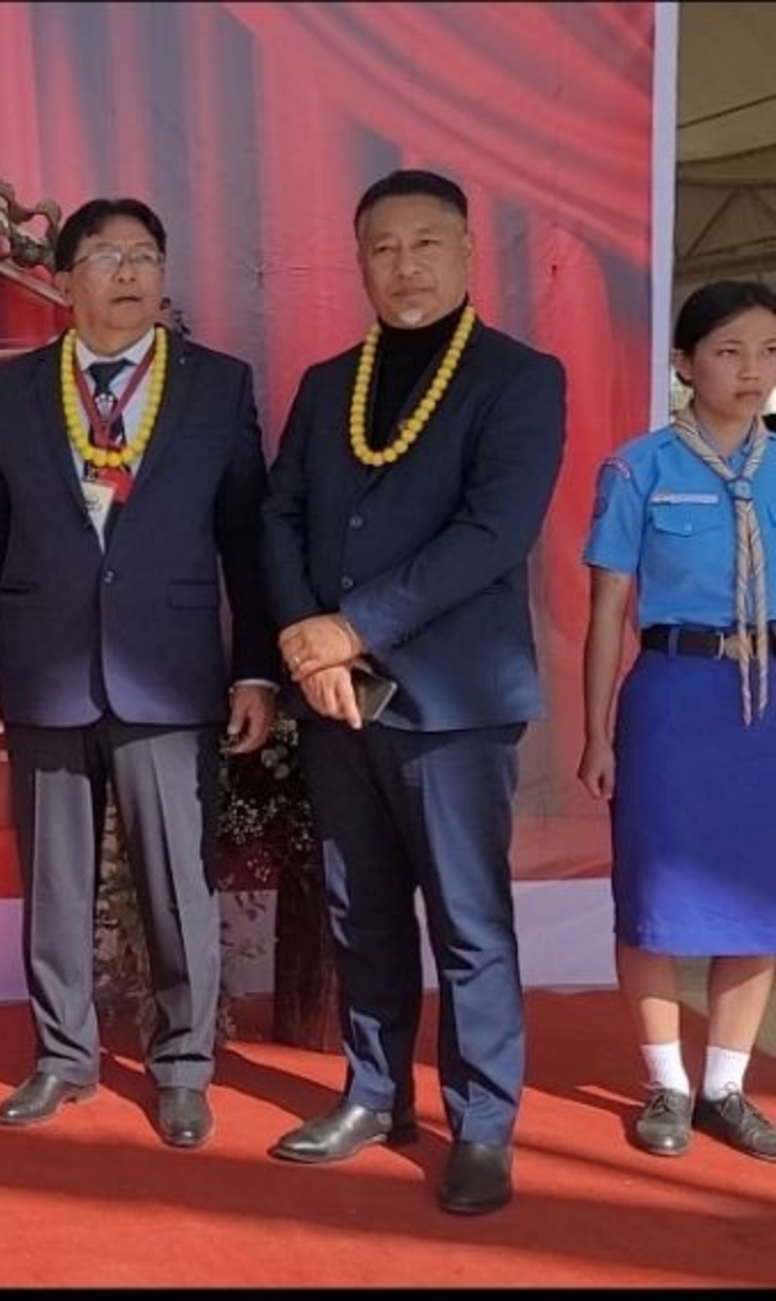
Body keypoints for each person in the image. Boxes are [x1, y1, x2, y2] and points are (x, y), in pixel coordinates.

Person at [261, 169, 567, 1215]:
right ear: (359, 261)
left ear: (469, 251)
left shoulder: (520, 379)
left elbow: (493, 534)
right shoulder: (326, 384)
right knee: (362, 908)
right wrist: (312, 649)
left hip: (453, 703)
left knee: (469, 920)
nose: (405, 266)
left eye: (426, 243)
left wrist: (351, 628)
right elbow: (280, 517)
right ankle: (374, 1091)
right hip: (336, 698)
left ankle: (482, 1124)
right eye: (383, 247)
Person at [0, 198, 277, 1150]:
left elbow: (247, 538)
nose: (128, 272)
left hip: (170, 673)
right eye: (105, 256)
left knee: (178, 882)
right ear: (64, 281)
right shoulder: (13, 391)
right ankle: (62, 1054)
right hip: (43, 670)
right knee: (55, 883)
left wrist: (256, 669)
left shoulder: (217, 386)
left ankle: (183, 1065)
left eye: (144, 255)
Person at [579, 279, 776, 1161]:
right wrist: (596, 733)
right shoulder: (638, 469)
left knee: (760, 897)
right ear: (684, 364)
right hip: (672, 693)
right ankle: (667, 1082)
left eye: (769, 352)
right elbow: (606, 613)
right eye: (730, 351)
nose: (752, 370)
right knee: (653, 898)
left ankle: (726, 1087)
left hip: (766, 699)